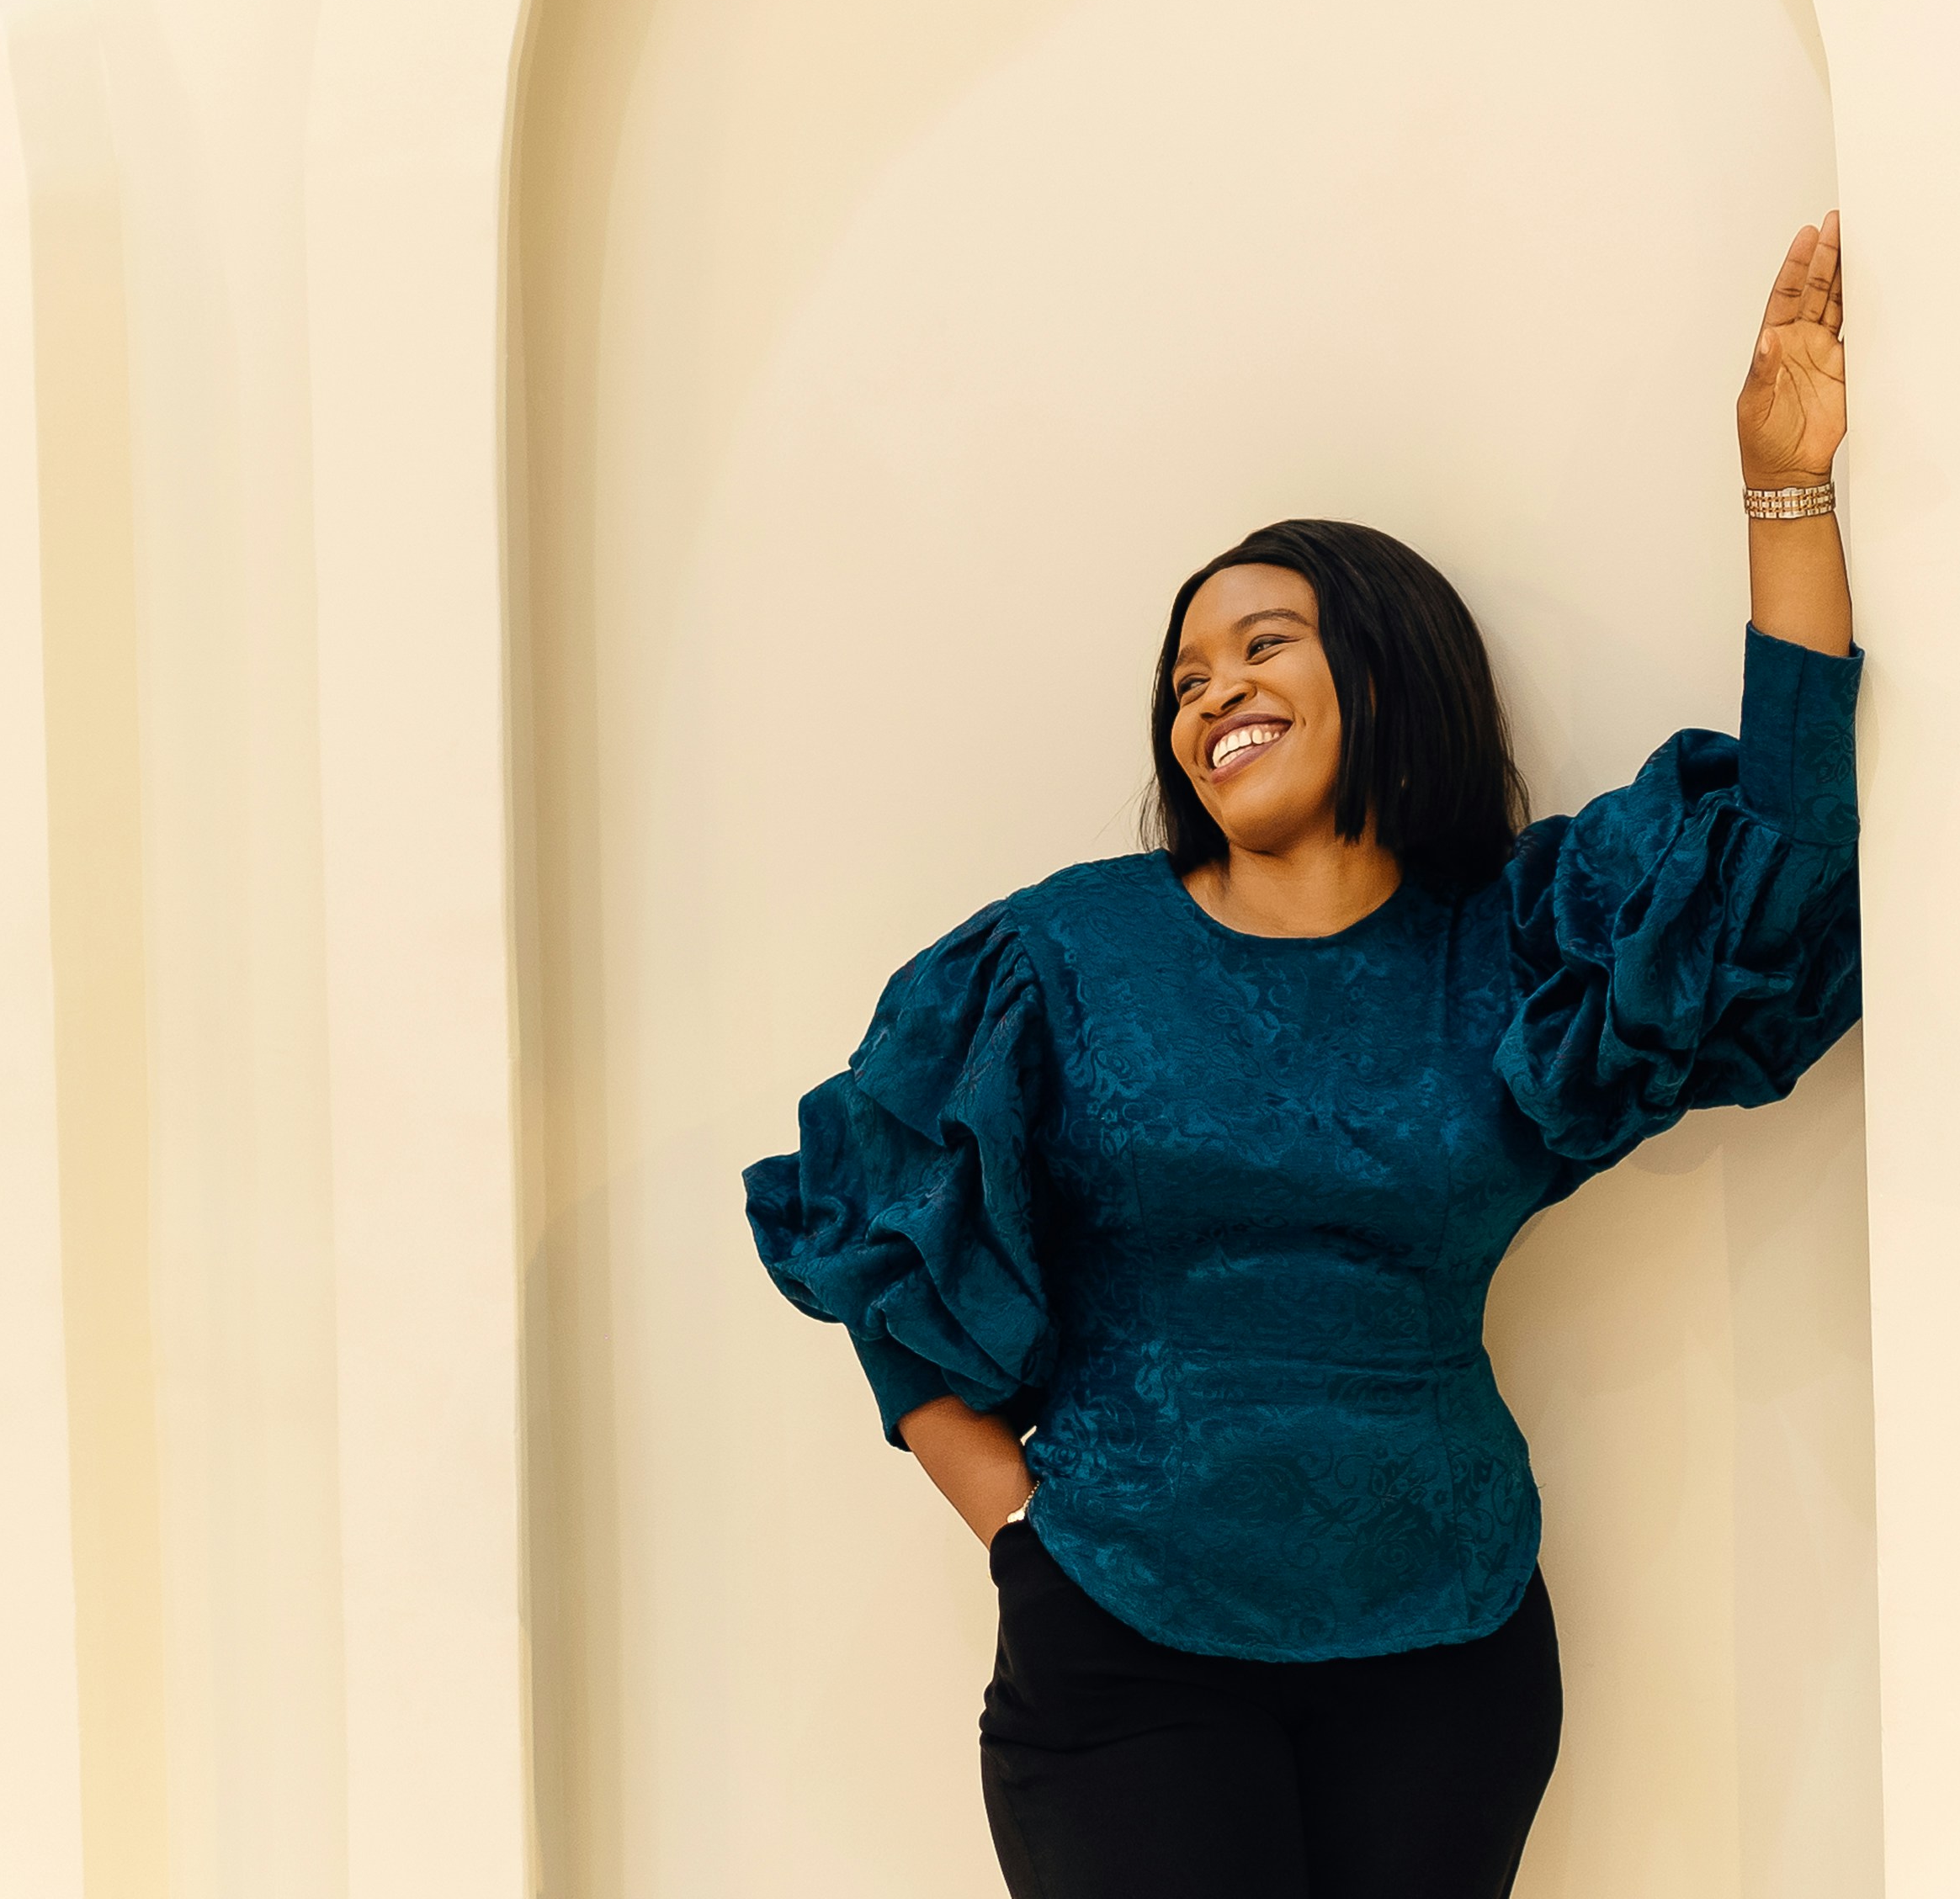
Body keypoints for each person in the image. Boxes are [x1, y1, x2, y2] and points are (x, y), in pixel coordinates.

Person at [743, 214, 1863, 1899]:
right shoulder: (1061, 954)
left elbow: (1784, 857)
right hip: (1124, 1631)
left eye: (1262, 641)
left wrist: (1786, 489)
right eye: (1188, 673)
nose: (1215, 691)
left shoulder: (1521, 943)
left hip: (1450, 1638)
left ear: (1383, 666)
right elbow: (875, 1230)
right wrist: (1018, 1530)